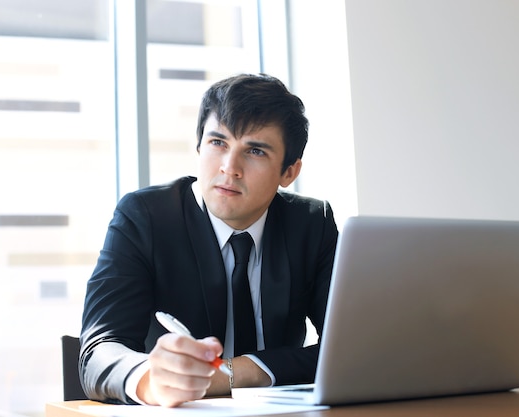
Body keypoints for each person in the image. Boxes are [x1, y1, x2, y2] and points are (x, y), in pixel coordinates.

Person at [79, 73, 339, 407]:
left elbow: (348, 348)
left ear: (289, 172)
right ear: (199, 144)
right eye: (218, 143)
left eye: (255, 151)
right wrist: (148, 380)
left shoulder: (310, 224)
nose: (230, 168)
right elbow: (98, 351)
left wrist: (236, 373)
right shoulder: (145, 217)